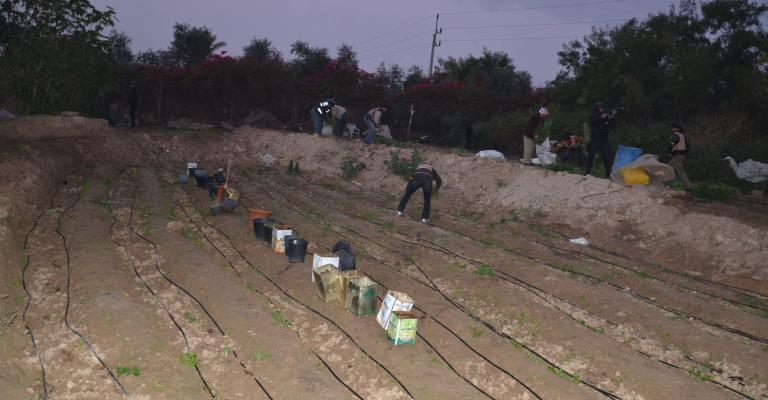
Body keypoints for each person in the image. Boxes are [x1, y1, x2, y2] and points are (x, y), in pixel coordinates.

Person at [584, 101, 618, 177]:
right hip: (595, 139)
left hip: (604, 140)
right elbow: (591, 122)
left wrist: (613, 116)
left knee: (607, 156)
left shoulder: (606, 115)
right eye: (599, 107)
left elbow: (612, 123)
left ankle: (607, 174)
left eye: (602, 107)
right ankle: (587, 172)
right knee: (591, 156)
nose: (601, 109)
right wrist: (600, 117)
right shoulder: (593, 115)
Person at [668, 124, 694, 190]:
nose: (672, 129)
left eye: (673, 128)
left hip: (677, 155)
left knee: (680, 171)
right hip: (682, 155)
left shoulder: (675, 135)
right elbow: (688, 146)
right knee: (668, 168)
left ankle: (689, 187)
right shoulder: (684, 135)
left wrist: (670, 152)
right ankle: (666, 182)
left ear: (676, 128)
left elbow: (672, 144)